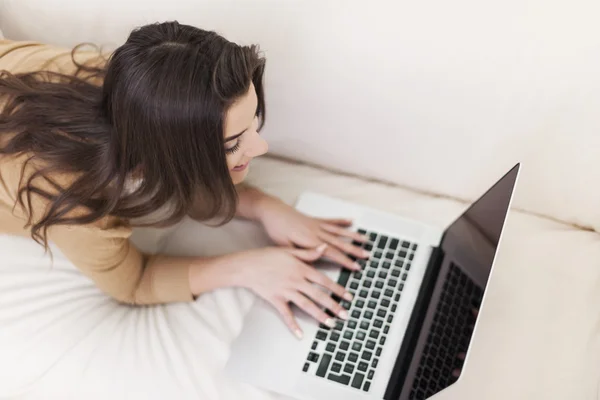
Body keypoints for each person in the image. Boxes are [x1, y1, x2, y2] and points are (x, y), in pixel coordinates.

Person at [0, 21, 370, 339]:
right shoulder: (70, 194)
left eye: (252, 121)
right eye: (232, 144)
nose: (260, 147)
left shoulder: (140, 82)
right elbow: (134, 282)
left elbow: (177, 165)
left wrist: (262, 206)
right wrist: (248, 267)